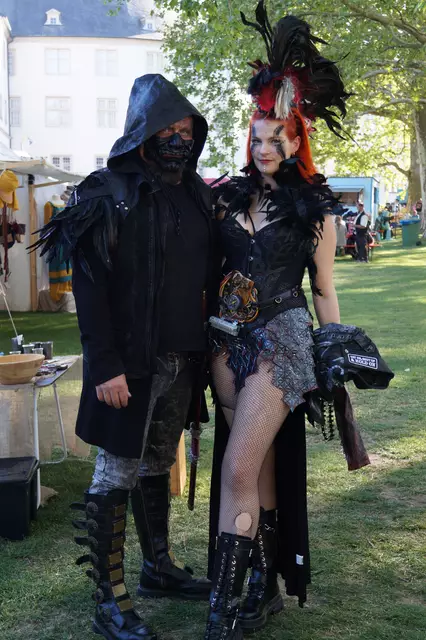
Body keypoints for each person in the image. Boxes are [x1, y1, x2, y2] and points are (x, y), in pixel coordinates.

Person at [35, 74, 216, 640]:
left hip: (184, 358)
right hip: (129, 364)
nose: (179, 139)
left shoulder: (198, 193)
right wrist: (105, 364)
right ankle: (109, 600)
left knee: (157, 463)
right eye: (168, 128)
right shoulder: (106, 192)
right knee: (115, 472)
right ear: (142, 130)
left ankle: (158, 567)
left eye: (187, 129)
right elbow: (89, 288)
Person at [203, 4, 351, 638]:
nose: (264, 149)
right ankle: (261, 590)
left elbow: (324, 292)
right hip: (223, 345)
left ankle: (220, 614)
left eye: (276, 138)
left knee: (237, 469)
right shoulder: (226, 198)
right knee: (254, 470)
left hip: (281, 346)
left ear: (297, 139)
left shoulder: (318, 213)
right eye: (257, 138)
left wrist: (333, 359)